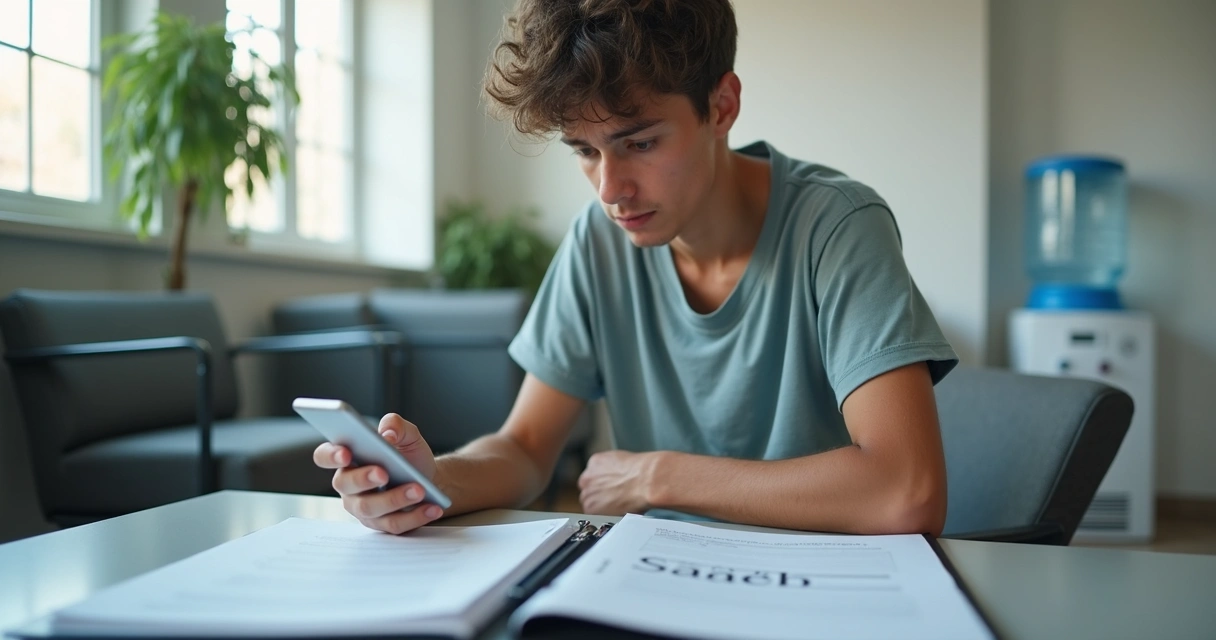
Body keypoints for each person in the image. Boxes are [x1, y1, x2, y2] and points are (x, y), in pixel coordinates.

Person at [314, 0, 958, 535]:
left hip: (823, 588)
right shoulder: (600, 241)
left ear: (722, 106)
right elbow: (527, 448)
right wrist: (432, 479)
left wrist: (658, 476)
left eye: (640, 143)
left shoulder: (837, 226)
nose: (610, 188)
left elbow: (906, 490)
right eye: (584, 151)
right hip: (660, 578)